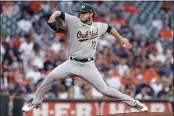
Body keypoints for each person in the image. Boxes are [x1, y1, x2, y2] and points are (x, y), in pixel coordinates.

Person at [22, 3, 148, 112]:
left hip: (88, 66)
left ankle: (134, 103)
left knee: (106, 90)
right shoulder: (74, 21)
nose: (81, 14)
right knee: (51, 76)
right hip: (71, 63)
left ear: (91, 14)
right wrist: (53, 17)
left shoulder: (99, 26)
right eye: (80, 12)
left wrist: (121, 39)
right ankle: (36, 101)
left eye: (84, 13)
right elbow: (59, 12)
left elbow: (109, 28)